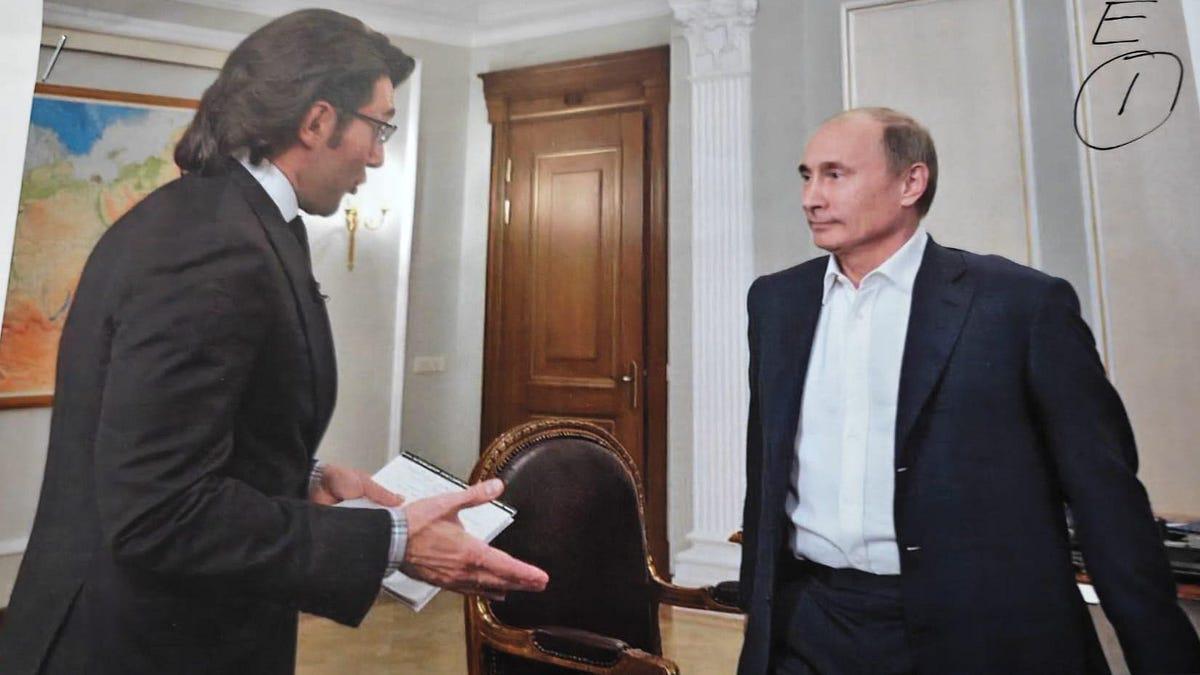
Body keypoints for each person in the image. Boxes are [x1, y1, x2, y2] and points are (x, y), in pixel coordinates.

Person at [0, 10, 546, 674]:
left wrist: (304, 477)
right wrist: (395, 539)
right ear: (316, 122)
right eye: (378, 127)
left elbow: (190, 439)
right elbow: (160, 510)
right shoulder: (211, 245)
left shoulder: (230, 220)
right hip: (135, 645)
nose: (378, 155)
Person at [736, 107, 1200, 674]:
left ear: (911, 182)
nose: (812, 197)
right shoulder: (776, 303)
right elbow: (765, 472)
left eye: (835, 175)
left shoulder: (1019, 305)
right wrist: (757, 613)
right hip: (810, 624)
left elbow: (1105, 497)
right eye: (807, 176)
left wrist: (1164, 656)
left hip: (975, 632)